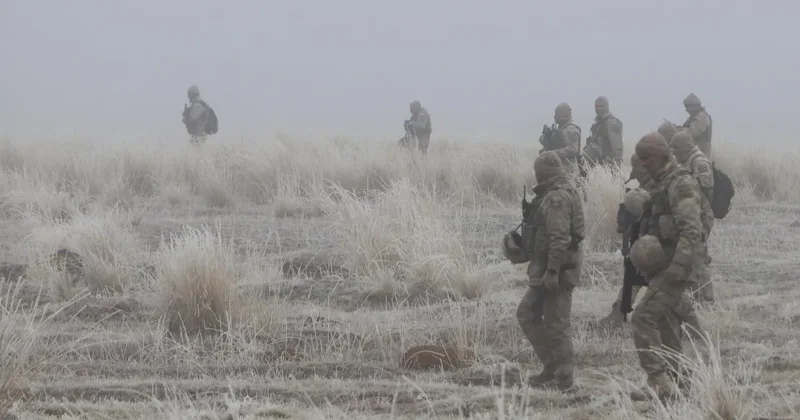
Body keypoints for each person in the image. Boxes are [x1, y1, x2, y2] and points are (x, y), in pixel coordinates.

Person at [628, 132, 706, 402]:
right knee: (666, 323)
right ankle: (679, 383)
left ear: (660, 156)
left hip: (676, 265)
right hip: (665, 264)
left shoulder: (681, 183)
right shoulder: (662, 182)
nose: (644, 165)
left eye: (647, 160)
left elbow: (691, 230)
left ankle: (659, 381)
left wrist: (679, 266)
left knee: (642, 317)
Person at [509, 151, 585, 391]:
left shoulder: (557, 198)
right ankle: (552, 367)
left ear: (541, 174)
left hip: (557, 271)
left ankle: (564, 380)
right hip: (548, 268)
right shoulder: (557, 193)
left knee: (556, 322)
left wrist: (552, 272)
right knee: (529, 314)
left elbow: (559, 238)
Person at [669, 131, 716, 304]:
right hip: (691, 212)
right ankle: (695, 295)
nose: (674, 152)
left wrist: (684, 183)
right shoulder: (683, 160)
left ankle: (707, 299)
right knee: (688, 252)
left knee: (697, 255)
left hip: (701, 214)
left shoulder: (698, 161)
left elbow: (706, 183)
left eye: (677, 148)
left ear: (686, 147)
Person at [539, 103, 582, 177]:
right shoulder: (560, 129)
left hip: (569, 171)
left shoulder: (570, 129)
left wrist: (552, 153)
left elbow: (572, 149)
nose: (555, 116)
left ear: (564, 115)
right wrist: (546, 138)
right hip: (558, 170)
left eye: (557, 114)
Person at [583, 96, 624, 168]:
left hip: (608, 164)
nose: (598, 108)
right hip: (597, 163)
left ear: (606, 106)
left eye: (601, 106)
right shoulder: (598, 123)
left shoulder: (611, 123)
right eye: (596, 106)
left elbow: (617, 147)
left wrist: (616, 166)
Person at [679, 93, 713, 158]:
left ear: (694, 106)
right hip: (694, 154)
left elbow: (692, 134)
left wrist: (679, 131)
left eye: (687, 107)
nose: (686, 110)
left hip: (699, 156)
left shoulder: (702, 117)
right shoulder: (695, 117)